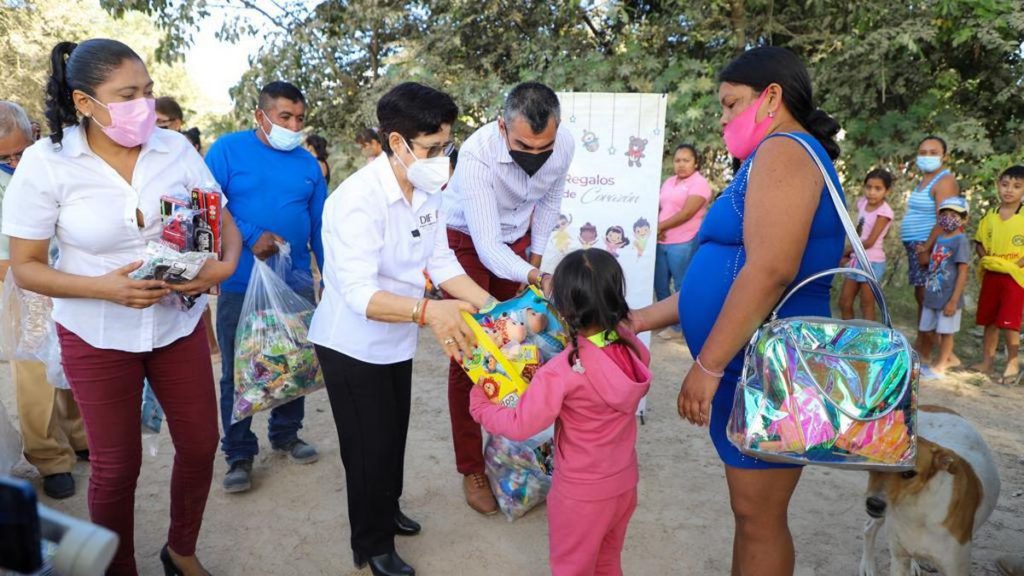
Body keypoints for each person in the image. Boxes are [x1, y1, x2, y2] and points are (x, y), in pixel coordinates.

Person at [3, 38, 243, 575]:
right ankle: (119, 568)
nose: (145, 106)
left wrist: (223, 268)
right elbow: (27, 266)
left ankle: (181, 551)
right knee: (115, 468)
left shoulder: (174, 149)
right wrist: (104, 289)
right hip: (95, 332)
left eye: (148, 92)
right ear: (84, 102)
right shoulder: (47, 163)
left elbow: (221, 221)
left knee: (201, 444)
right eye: (128, 95)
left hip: (176, 325)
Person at [630, 47, 845, 575]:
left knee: (759, 517)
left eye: (731, 104)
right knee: (750, 515)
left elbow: (770, 270)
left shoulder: (786, 150)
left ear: (771, 97)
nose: (723, 118)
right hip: (751, 365)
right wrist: (636, 320)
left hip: (769, 371)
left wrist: (708, 365)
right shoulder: (770, 156)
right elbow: (722, 280)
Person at [309, 82, 493, 576]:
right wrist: (431, 312)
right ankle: (372, 545)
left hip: (395, 338)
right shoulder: (356, 200)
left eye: (447, 146)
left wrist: (493, 306)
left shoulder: (428, 190)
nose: (441, 159)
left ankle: (386, 510)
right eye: (432, 148)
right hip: (351, 345)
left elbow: (443, 262)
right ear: (396, 142)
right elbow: (358, 294)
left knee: (392, 435)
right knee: (367, 447)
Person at [470, 249, 651, 576]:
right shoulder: (632, 346)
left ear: (563, 310)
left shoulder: (562, 371)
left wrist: (481, 404)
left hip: (580, 494)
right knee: (608, 562)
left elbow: (521, 424)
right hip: (624, 483)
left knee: (571, 568)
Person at [444, 81, 574, 515]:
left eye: (544, 147)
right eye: (523, 146)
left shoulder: (564, 144)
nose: (535, 156)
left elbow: (550, 201)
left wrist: (534, 260)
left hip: (518, 244)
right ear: (502, 127)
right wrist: (536, 275)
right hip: (466, 242)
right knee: (473, 353)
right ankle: (472, 467)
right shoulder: (477, 155)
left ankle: (515, 457)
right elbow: (486, 246)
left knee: (523, 344)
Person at [205, 80, 327, 494]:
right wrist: (250, 233)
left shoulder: (308, 165)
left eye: (299, 119)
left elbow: (320, 225)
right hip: (240, 282)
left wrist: (329, 276)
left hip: (295, 283)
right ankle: (239, 452)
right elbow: (209, 205)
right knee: (238, 368)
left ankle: (286, 433)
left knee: (295, 361)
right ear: (260, 115)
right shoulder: (227, 150)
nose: (293, 126)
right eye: (284, 117)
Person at [0, 100, 89, 500]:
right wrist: (35, 279)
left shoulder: (50, 161)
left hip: (66, 276)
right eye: (5, 158)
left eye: (20, 151)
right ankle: (50, 458)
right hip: (18, 284)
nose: (15, 162)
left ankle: (79, 436)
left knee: (71, 360)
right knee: (36, 373)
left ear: (34, 133)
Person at [900, 135, 959, 350]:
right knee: (922, 295)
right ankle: (925, 341)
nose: (927, 156)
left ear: (945, 156)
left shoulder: (945, 181)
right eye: (923, 152)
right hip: (917, 244)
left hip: (930, 245)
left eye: (933, 153)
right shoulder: (924, 180)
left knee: (929, 296)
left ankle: (933, 347)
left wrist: (927, 247)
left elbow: (945, 219)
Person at [654, 143, 712, 340]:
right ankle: (665, 322)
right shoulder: (669, 181)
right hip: (662, 240)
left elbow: (687, 213)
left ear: (695, 163)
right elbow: (661, 208)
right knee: (660, 285)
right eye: (678, 160)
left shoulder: (699, 183)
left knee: (682, 285)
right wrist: (657, 228)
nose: (681, 164)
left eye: (686, 160)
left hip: (683, 241)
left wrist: (660, 227)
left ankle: (680, 327)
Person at [972, 165, 1024, 383]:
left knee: (1010, 322)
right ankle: (987, 362)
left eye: (1017, 186)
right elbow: (979, 242)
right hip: (992, 274)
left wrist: (1016, 265)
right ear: (998, 185)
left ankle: (1012, 363)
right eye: (1005, 184)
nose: (1009, 190)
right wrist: (987, 259)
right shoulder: (990, 216)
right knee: (990, 320)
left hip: (1015, 277)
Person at [918, 196, 970, 377]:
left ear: (964, 219)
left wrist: (953, 300)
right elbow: (933, 264)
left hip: (948, 297)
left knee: (946, 333)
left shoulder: (961, 240)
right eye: (945, 214)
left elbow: (962, 271)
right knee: (927, 329)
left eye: (954, 215)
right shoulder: (939, 238)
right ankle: (950, 358)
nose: (948, 218)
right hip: (932, 294)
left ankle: (940, 366)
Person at [838, 168, 894, 321]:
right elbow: (860, 232)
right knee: (844, 302)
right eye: (868, 187)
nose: (872, 192)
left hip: (872, 262)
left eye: (878, 188)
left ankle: (869, 335)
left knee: (866, 304)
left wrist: (846, 251)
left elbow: (869, 242)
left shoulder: (884, 213)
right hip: (857, 259)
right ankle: (849, 332)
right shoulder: (862, 203)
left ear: (887, 191)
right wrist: (851, 254)